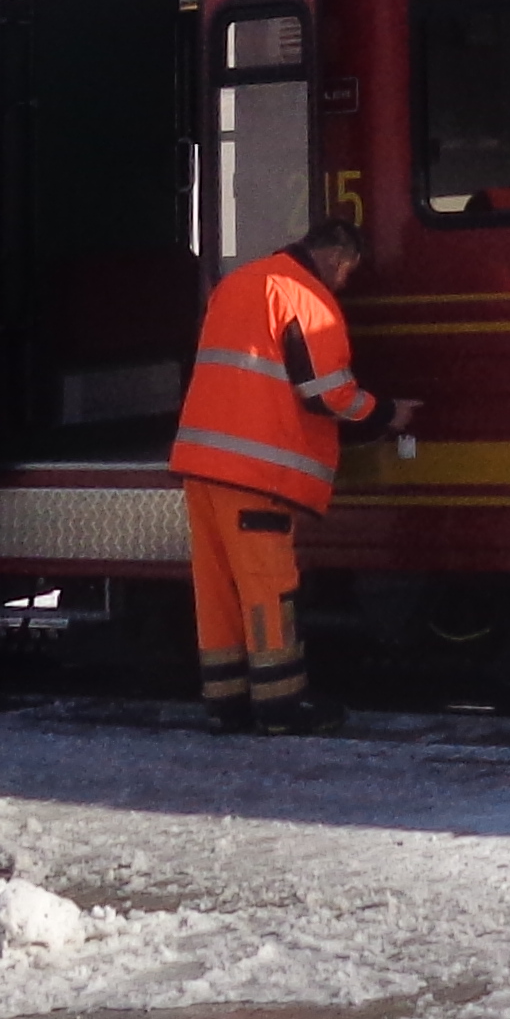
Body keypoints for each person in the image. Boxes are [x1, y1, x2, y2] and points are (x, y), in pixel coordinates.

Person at [167, 219, 417, 732]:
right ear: (338, 257)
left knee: (217, 590)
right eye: (349, 272)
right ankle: (282, 707)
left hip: (202, 463)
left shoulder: (239, 282)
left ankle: (226, 703)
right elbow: (329, 393)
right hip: (256, 470)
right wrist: (388, 413)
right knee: (267, 589)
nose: (345, 283)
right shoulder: (305, 296)